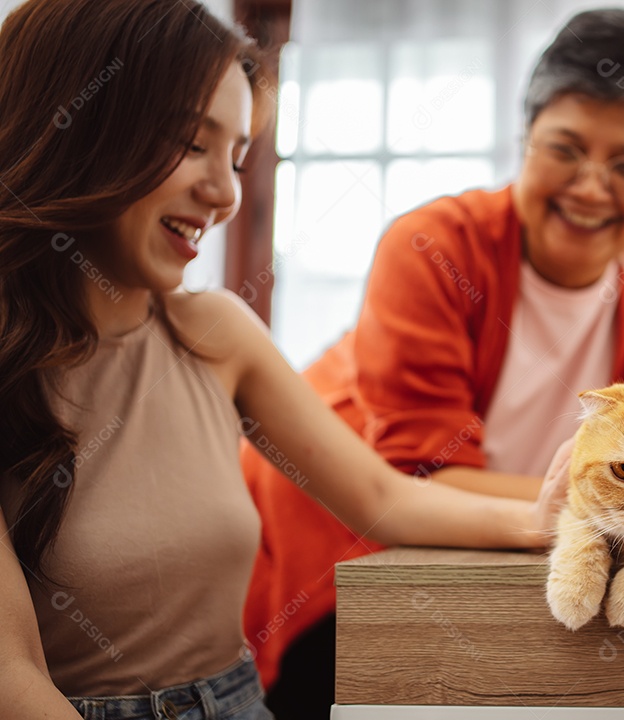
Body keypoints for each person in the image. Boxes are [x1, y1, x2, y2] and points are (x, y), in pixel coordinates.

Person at [0, 1, 557, 717]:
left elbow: (385, 501)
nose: (225, 193)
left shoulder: (214, 333)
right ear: (78, 125)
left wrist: (544, 520)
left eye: (237, 157)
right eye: (190, 143)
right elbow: (13, 679)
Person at [242, 8, 624, 716]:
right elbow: (414, 475)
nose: (590, 186)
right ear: (524, 141)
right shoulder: (433, 246)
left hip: (496, 539)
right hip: (338, 540)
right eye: (565, 149)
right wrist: (612, 505)